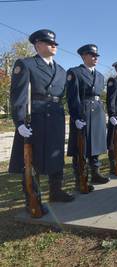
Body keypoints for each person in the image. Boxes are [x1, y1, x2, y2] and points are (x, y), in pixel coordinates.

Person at [9, 29, 74, 216]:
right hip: (35, 118)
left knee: (56, 155)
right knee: (32, 159)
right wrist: (20, 122)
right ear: (37, 45)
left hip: (55, 116)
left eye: (55, 43)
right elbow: (18, 96)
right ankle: (32, 199)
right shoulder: (26, 64)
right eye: (48, 42)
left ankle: (56, 191)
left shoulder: (61, 71)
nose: (54, 45)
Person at [66, 44, 109, 192]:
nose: (95, 58)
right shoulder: (75, 72)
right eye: (92, 55)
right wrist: (76, 116)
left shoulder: (100, 76)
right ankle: (80, 179)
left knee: (95, 144)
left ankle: (95, 173)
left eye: (96, 55)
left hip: (97, 111)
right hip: (83, 111)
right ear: (83, 56)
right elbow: (72, 97)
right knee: (81, 147)